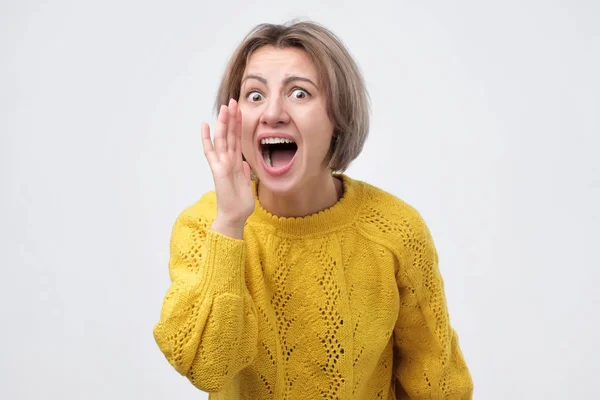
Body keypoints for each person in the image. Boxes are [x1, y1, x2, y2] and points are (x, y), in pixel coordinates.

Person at [153, 20, 473, 399]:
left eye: (299, 93)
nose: (272, 112)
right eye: (255, 95)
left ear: (338, 116)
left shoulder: (395, 230)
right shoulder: (205, 227)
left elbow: (438, 384)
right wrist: (231, 223)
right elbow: (207, 366)